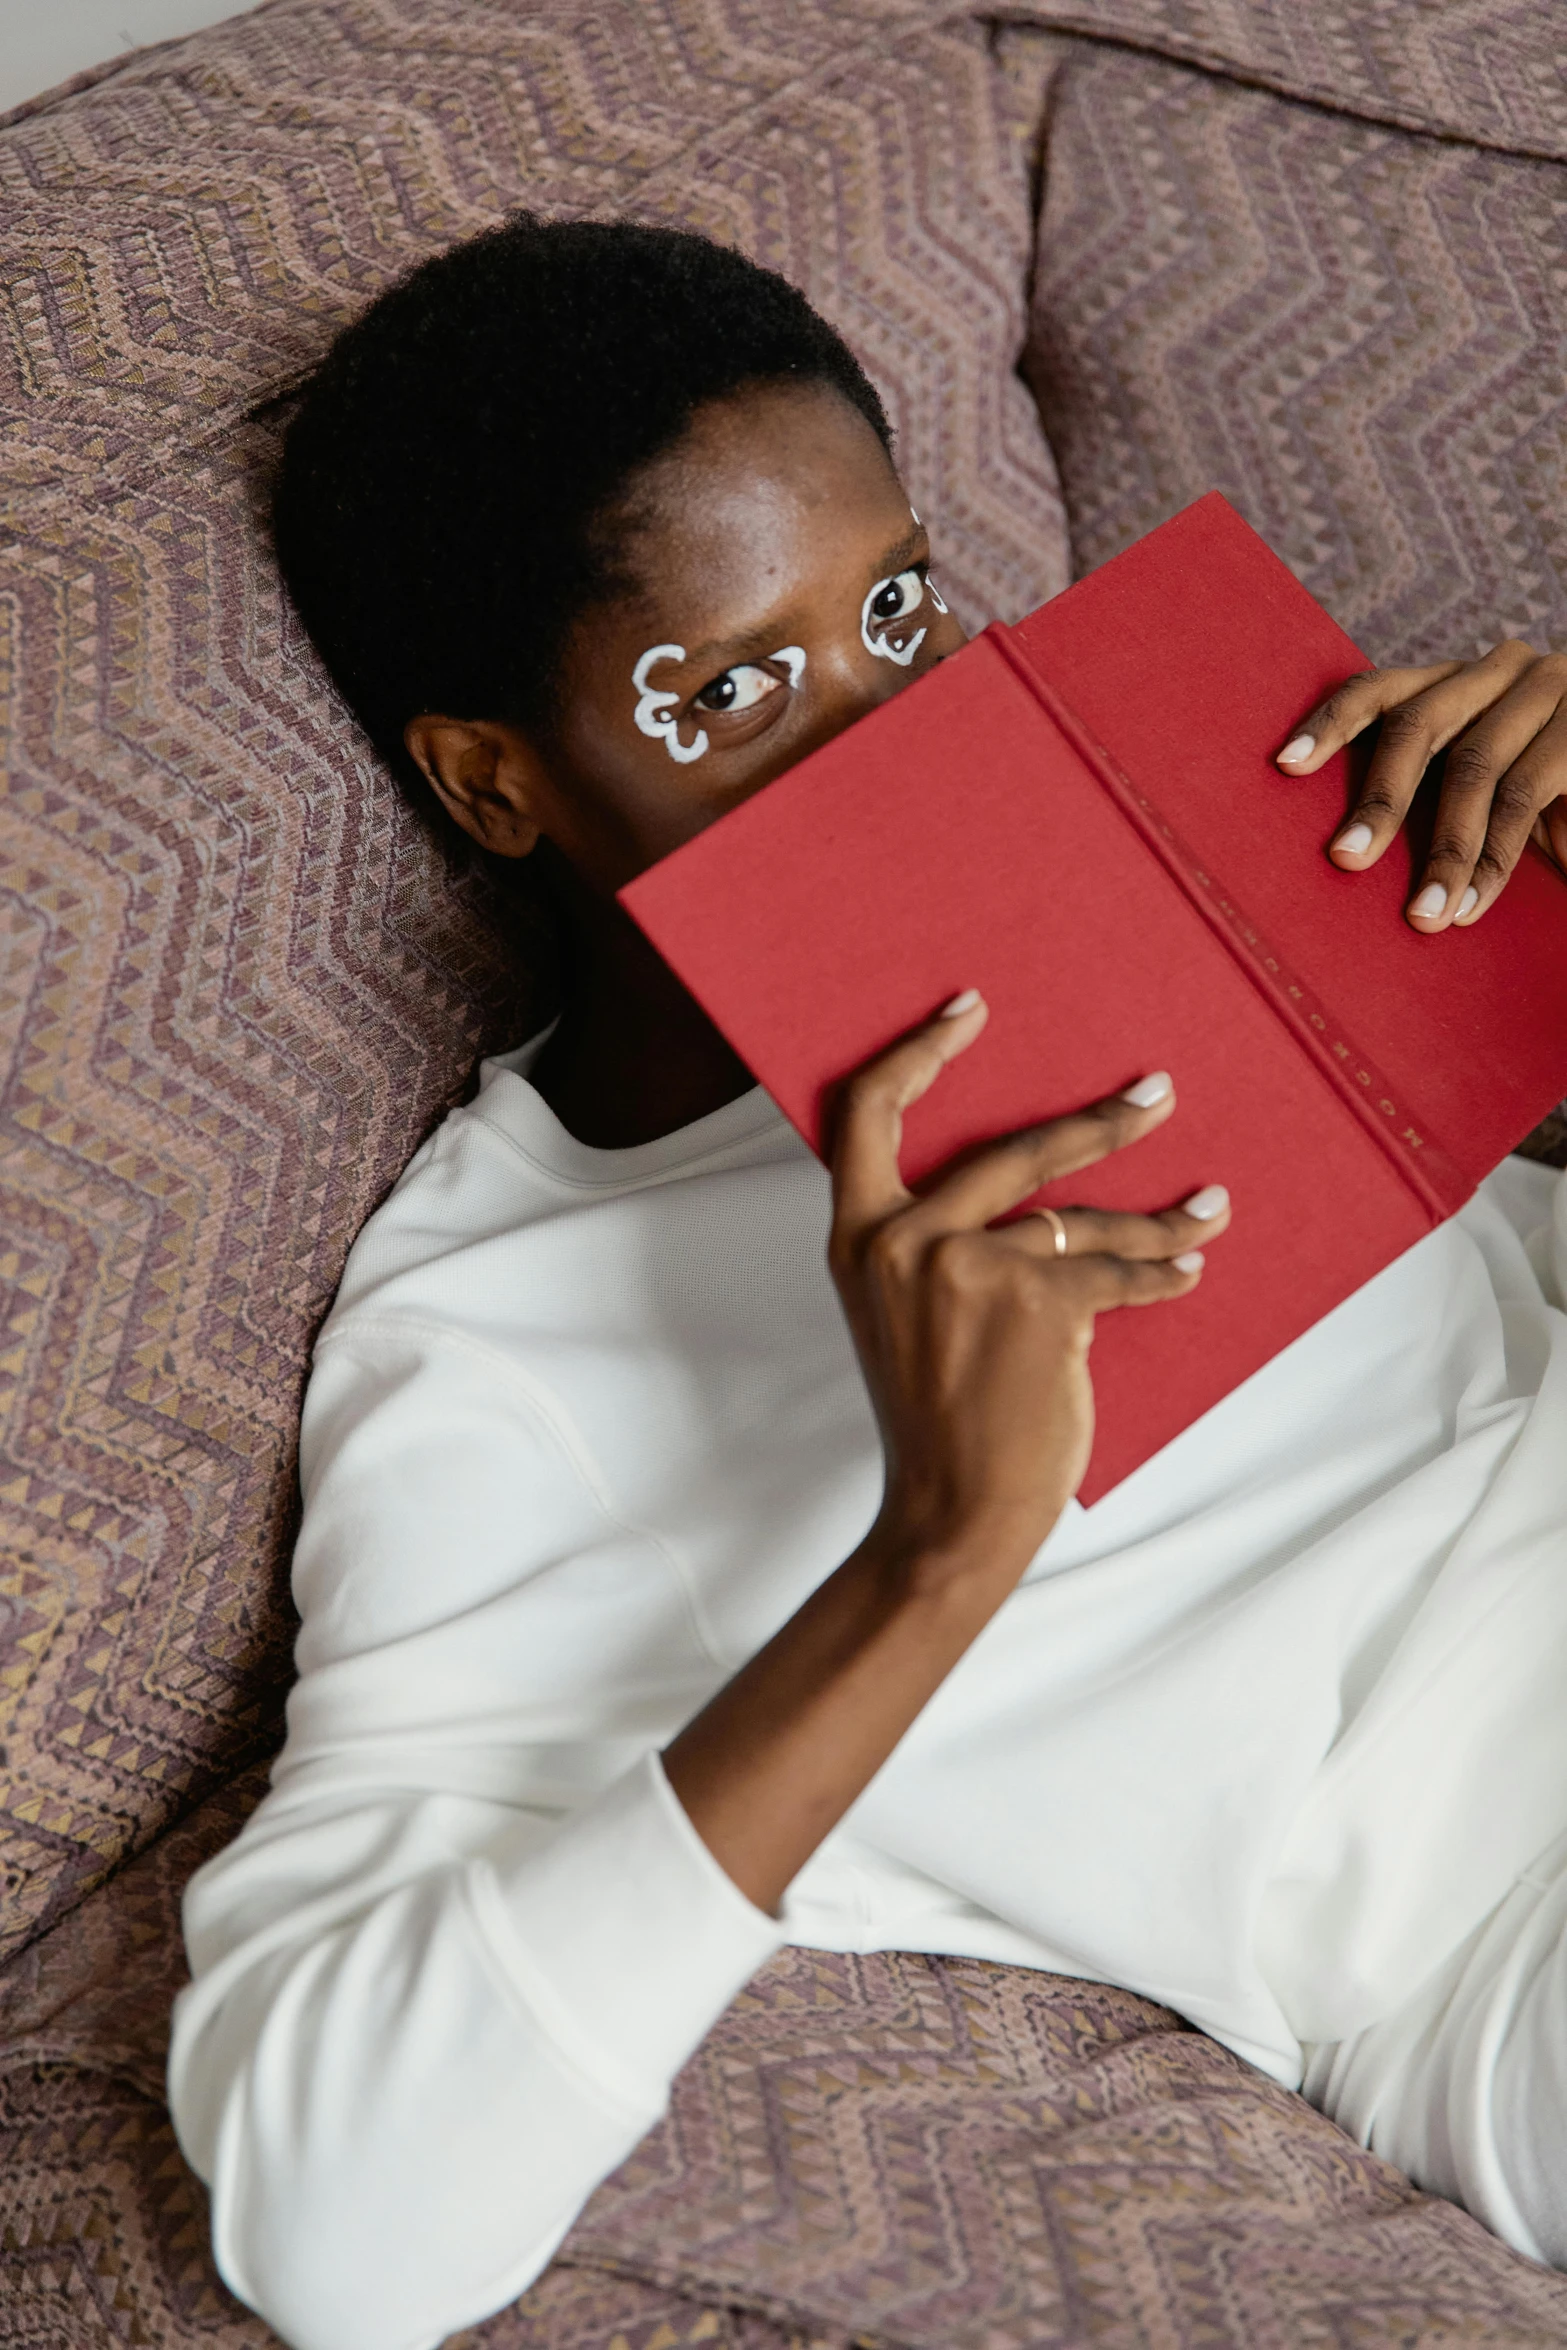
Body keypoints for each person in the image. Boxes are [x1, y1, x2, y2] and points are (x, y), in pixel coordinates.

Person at [167, 216, 1567, 2350]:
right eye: (732, 690)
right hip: (1499, 1910)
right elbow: (331, 2226)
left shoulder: (1156, 824)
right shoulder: (502, 1331)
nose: (880, 738)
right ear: (491, 776)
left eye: (898, 613)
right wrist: (944, 1537)